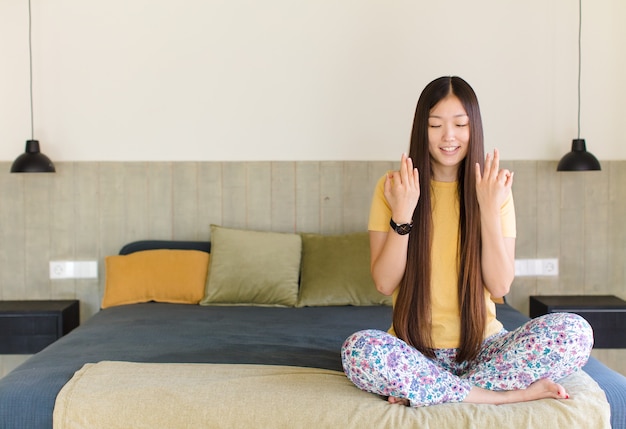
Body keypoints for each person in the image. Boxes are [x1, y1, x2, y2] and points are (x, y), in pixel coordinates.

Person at [341, 76, 593, 407]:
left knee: (575, 332)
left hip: (483, 348)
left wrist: (488, 210)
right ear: (422, 129)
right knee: (358, 351)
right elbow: (385, 283)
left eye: (460, 124)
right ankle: (499, 397)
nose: (449, 136)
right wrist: (402, 215)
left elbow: (500, 285)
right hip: (413, 350)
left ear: (473, 128)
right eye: (436, 125)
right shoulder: (394, 187)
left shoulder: (495, 189)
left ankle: (430, 391)